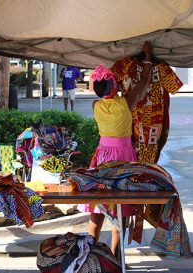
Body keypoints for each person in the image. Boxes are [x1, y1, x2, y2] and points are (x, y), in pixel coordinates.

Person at [77, 42, 153, 255]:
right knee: (120, 210)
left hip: (102, 159)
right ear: (114, 86)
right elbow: (145, 81)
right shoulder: (126, 102)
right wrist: (147, 55)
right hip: (124, 159)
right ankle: (116, 258)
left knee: (99, 207)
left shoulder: (96, 106)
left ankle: (89, 255)